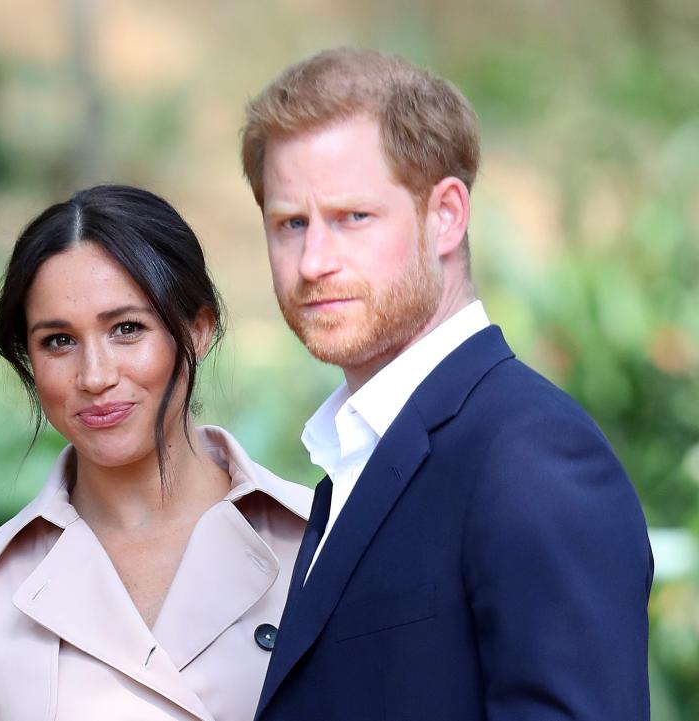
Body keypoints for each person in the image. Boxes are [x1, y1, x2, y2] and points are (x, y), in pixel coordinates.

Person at [240, 49, 653, 721]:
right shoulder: (358, 454)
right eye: (291, 223)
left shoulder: (532, 455)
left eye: (353, 217)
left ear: (447, 216)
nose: (313, 261)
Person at [0, 184, 311, 721]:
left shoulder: (320, 544)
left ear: (198, 329)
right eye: (58, 341)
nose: (95, 376)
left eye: (126, 329)